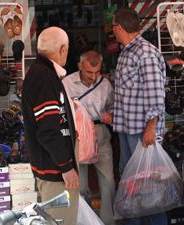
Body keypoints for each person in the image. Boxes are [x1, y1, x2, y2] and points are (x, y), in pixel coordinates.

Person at [112, 8, 167, 225]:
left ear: (119, 28)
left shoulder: (145, 53)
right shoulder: (127, 51)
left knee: (149, 188)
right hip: (128, 129)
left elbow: (155, 93)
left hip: (141, 133)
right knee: (131, 185)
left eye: (113, 27)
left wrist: (151, 127)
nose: (112, 31)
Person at [21, 27, 79, 225]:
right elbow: (47, 130)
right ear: (63, 49)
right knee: (61, 221)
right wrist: (66, 167)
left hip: (52, 167)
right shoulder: (44, 76)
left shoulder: (43, 73)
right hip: (54, 171)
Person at [63, 50, 116, 225]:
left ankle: (107, 221)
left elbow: (113, 107)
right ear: (80, 67)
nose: (93, 77)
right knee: (81, 185)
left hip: (100, 131)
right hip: (79, 136)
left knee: (108, 181)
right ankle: (85, 221)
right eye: (88, 72)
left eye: (97, 72)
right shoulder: (67, 83)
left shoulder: (105, 84)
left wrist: (111, 115)